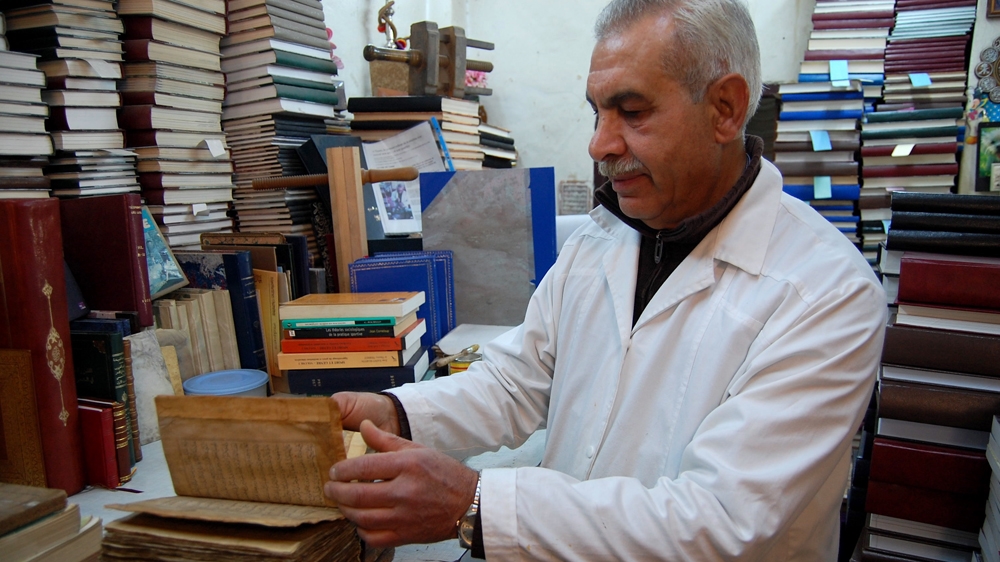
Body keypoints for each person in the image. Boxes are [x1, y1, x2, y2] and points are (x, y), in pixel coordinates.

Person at [324, 0, 886, 559]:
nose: (599, 144)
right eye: (597, 112)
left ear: (725, 109)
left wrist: (476, 506)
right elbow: (518, 382)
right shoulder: (604, 238)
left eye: (632, 111)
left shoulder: (827, 294)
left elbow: (718, 522)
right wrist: (394, 411)